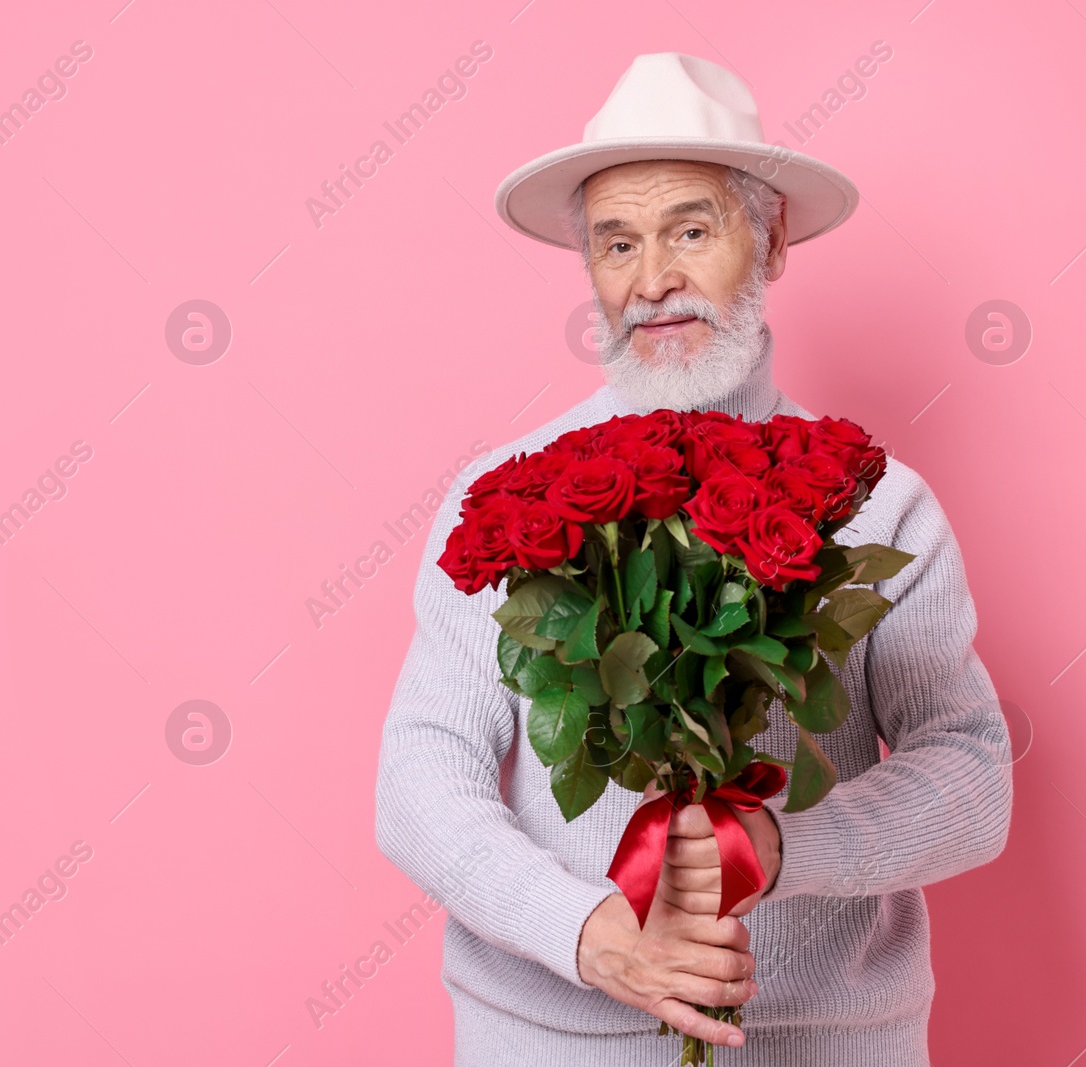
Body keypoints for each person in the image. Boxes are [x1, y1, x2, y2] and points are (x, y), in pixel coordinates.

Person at [373, 53, 1012, 1065]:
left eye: (690, 230)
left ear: (771, 238)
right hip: (547, 1037)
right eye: (615, 242)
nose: (651, 277)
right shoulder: (505, 501)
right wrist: (587, 933)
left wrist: (782, 845)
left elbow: (973, 777)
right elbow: (420, 775)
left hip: (823, 1041)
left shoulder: (881, 504)